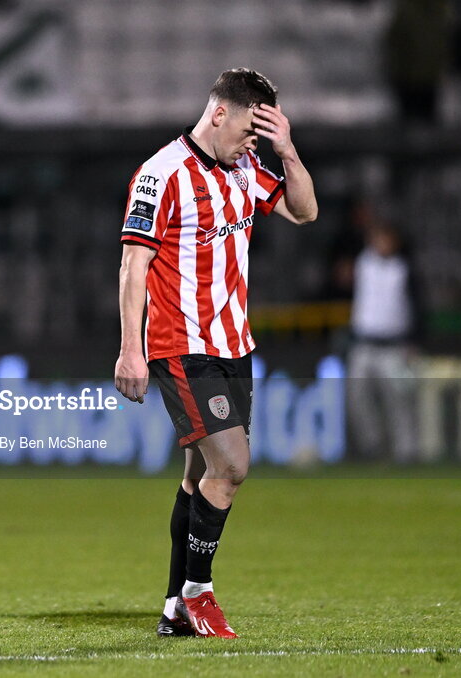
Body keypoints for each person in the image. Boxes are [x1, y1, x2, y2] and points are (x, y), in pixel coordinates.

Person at [114, 69, 317, 638]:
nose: (253, 142)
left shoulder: (248, 168)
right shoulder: (162, 174)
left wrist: (289, 151)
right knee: (231, 466)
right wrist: (131, 349)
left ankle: (174, 609)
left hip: (234, 346)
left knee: (198, 475)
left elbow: (305, 212)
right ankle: (199, 593)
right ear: (220, 113)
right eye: (250, 129)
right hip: (182, 347)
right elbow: (134, 266)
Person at [347, 221, 423, 463]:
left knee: (399, 401)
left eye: (386, 238)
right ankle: (373, 448)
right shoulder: (364, 262)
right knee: (357, 399)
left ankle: (406, 453)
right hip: (363, 344)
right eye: (378, 238)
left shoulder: (404, 268)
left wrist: (414, 341)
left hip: (394, 346)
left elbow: (419, 307)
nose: (381, 243)